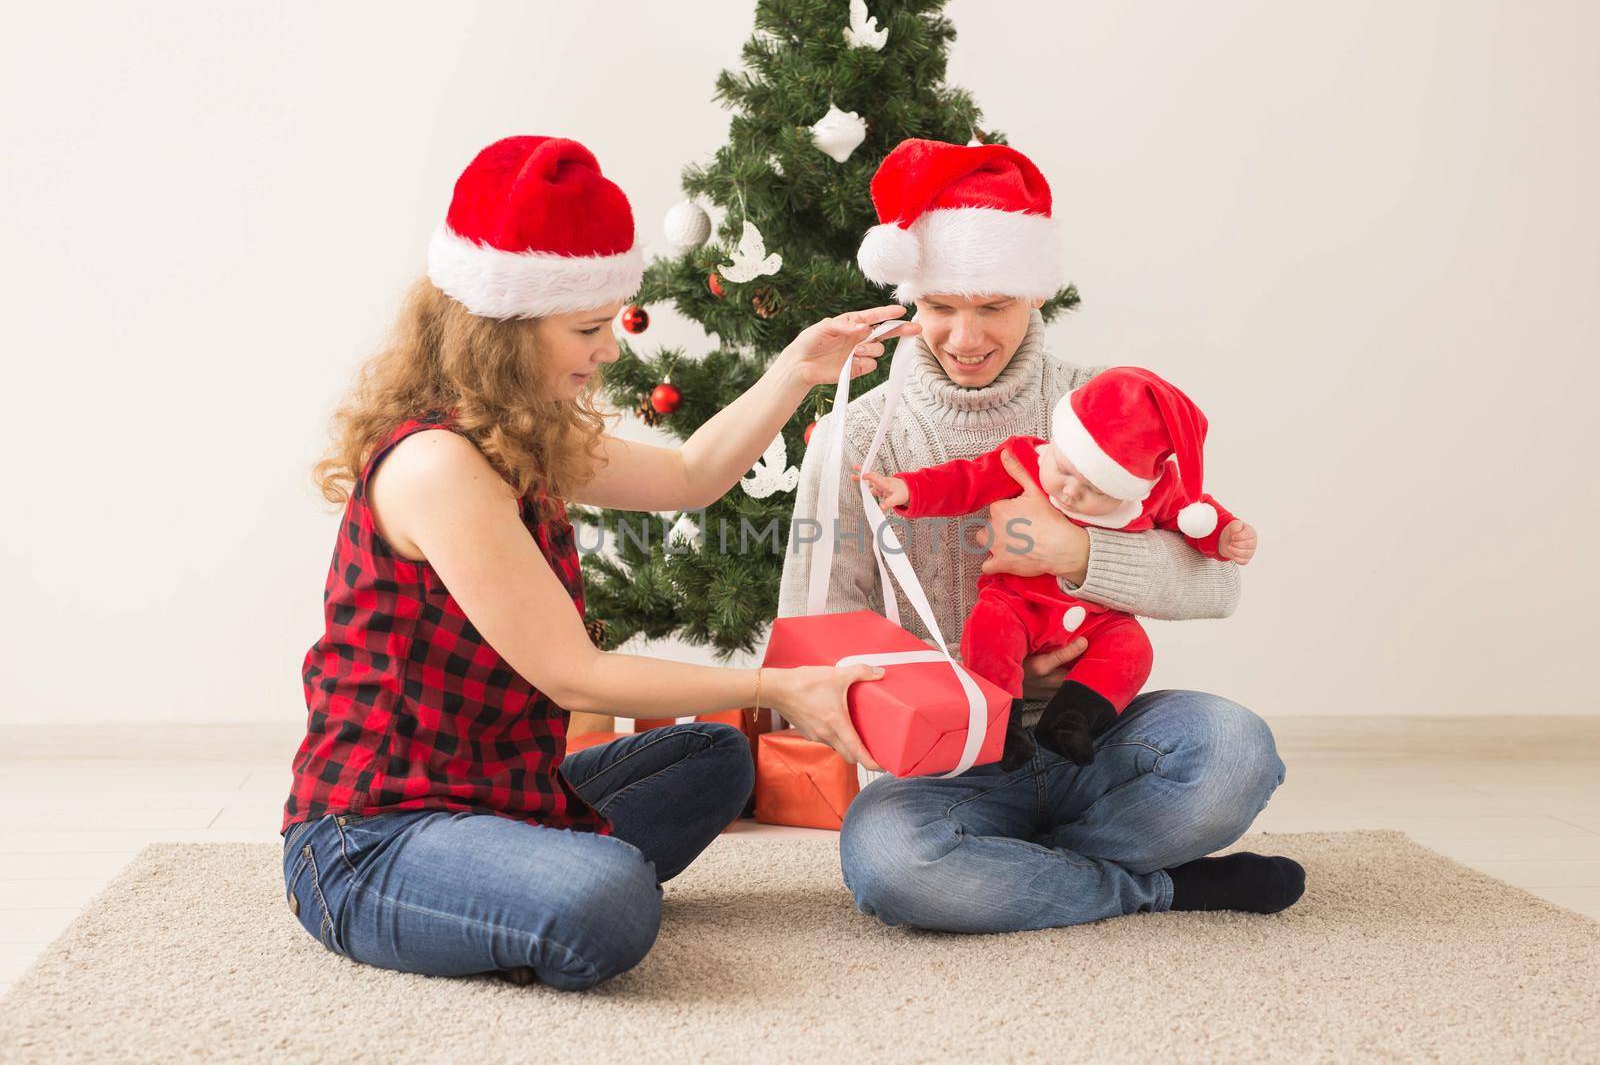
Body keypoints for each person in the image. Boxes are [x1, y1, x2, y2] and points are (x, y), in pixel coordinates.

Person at [282, 134, 916, 988]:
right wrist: (774, 687)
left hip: (500, 792)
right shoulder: (439, 466)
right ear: (499, 333)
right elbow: (575, 677)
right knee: (612, 900)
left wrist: (797, 369)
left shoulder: (517, 433)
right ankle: (527, 887)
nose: (610, 350)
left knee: (716, 761)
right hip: (371, 838)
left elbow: (691, 476)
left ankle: (515, 878)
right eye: (587, 328)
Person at [779, 137, 1304, 932]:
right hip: (953, 760)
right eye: (941, 307)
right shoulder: (855, 440)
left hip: (1093, 731)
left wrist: (1080, 556)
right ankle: (1155, 883)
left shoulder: (1101, 403)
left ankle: (1028, 870)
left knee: (1236, 751)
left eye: (993, 305)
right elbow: (814, 633)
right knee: (889, 859)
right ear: (910, 302)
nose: (965, 336)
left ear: (1035, 298)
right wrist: (947, 697)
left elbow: (1216, 583)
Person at [859, 366, 1258, 771]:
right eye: (1064, 470)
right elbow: (966, 480)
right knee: (990, 632)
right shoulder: (1025, 460)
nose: (1070, 490)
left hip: (1097, 618)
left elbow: (1194, 513)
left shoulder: (1152, 494)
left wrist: (1223, 535)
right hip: (1018, 603)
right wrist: (909, 489)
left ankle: (1073, 721)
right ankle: (1001, 727)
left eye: (1096, 490)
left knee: (1132, 650)